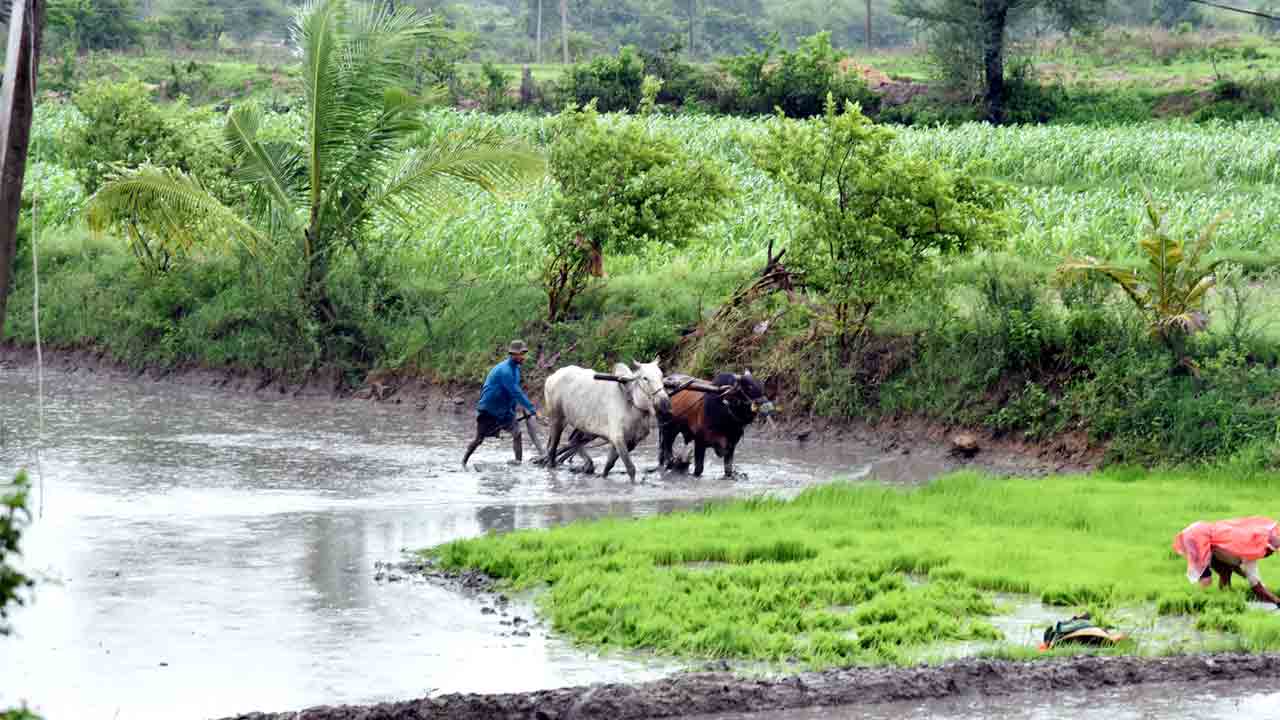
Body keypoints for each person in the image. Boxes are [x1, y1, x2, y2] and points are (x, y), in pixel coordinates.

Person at [461, 340, 541, 468]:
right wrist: (532, 409)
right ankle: (463, 462)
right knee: (479, 440)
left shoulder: (516, 369)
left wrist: (513, 412)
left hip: (505, 410)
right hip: (489, 409)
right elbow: (516, 392)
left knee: (517, 433)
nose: (523, 357)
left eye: (523, 353)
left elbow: (512, 395)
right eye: (521, 354)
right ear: (513, 354)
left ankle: (518, 464)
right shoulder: (505, 371)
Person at [1172, 516, 1280, 607]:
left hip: (1202, 533)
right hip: (1198, 537)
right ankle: (1200, 604)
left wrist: (1256, 581)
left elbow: (1237, 567)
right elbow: (1257, 590)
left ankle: (1223, 599)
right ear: (1266, 548)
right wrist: (1277, 602)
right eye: (1271, 551)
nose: (1270, 554)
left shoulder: (1249, 544)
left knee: (1225, 571)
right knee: (1206, 581)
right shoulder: (1250, 555)